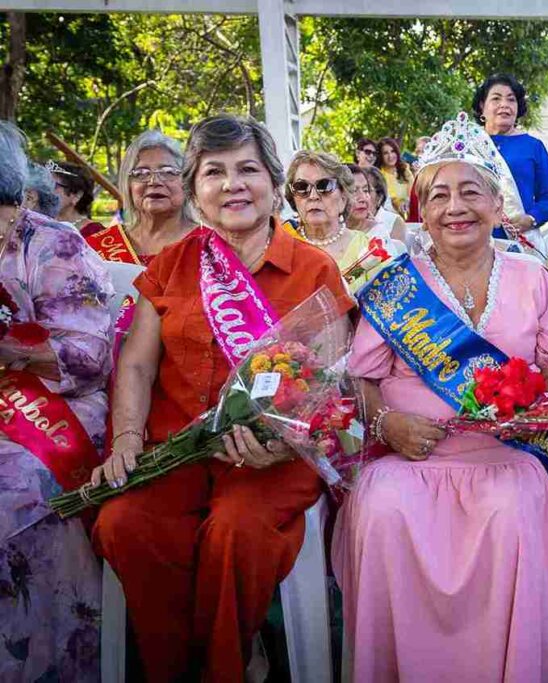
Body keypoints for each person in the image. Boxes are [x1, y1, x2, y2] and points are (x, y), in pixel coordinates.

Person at [91, 115, 352, 683]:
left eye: (247, 169)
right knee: (124, 523)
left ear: (273, 183)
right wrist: (128, 440)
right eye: (215, 172)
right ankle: (179, 666)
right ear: (195, 191)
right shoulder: (172, 264)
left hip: (271, 457)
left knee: (235, 533)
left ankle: (224, 668)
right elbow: (135, 364)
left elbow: (333, 383)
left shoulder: (313, 268)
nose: (233, 184)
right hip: (177, 448)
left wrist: (285, 442)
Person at [334, 114, 548, 681]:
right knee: (386, 510)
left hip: (506, 456)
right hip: (407, 457)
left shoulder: (531, 275)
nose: (455, 207)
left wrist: (544, 411)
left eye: (471, 191)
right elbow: (360, 381)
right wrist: (389, 423)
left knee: (516, 511)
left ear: (497, 202)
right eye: (439, 194)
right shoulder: (395, 282)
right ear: (422, 209)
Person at [0, 121, 114, 682]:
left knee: (19, 483)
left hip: (56, 406)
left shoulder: (55, 245)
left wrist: (10, 349)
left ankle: (44, 663)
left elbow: (90, 358)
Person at [473, 73, 548, 243]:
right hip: (474, 240)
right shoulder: (469, 144)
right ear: (482, 106)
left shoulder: (532, 146)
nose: (504, 105)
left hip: (519, 240)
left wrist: (531, 218)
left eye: (511, 99)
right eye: (496, 99)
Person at [86, 131, 194, 266]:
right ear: (128, 185)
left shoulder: (211, 246)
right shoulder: (97, 248)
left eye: (168, 172)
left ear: (187, 182)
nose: (154, 181)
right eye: (141, 173)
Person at [285, 150, 370, 276]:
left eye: (324, 186)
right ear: (293, 198)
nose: (313, 196)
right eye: (302, 187)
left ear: (343, 197)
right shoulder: (282, 245)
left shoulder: (367, 248)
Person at [346, 164, 407, 244]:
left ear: (379, 197)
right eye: (354, 191)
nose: (363, 198)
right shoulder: (332, 230)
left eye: (366, 190)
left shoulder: (380, 229)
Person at [49, 161, 104, 237]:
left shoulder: (95, 233)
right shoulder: (38, 225)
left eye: (52, 185)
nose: (45, 191)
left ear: (77, 195)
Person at [376, 137, 413, 217]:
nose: (390, 156)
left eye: (392, 151)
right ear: (380, 156)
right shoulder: (379, 175)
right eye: (385, 153)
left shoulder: (405, 170)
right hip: (389, 217)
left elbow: (413, 192)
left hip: (410, 215)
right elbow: (391, 199)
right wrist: (400, 205)